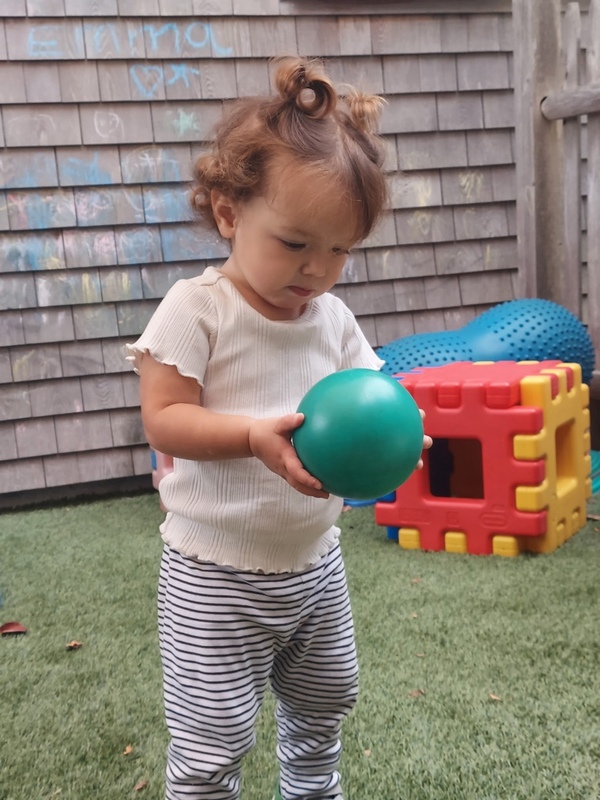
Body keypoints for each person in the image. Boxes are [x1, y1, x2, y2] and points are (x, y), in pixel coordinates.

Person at [127, 56, 430, 800]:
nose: (318, 271)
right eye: (296, 244)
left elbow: (373, 392)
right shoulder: (199, 309)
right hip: (216, 576)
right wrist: (253, 436)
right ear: (230, 215)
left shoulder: (330, 316)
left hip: (314, 563)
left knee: (327, 701)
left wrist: (401, 435)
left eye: (339, 250)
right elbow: (165, 418)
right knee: (214, 739)